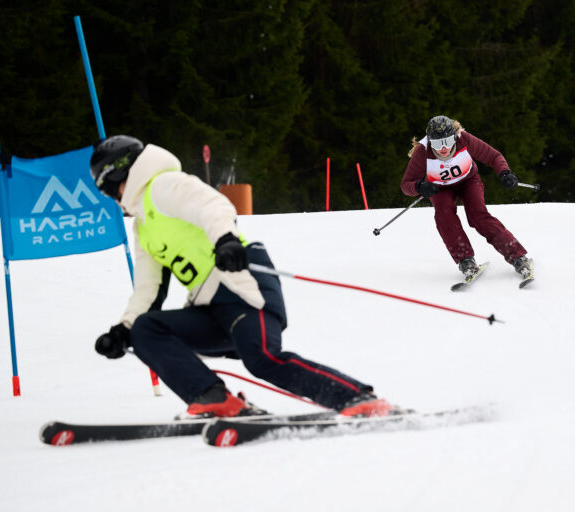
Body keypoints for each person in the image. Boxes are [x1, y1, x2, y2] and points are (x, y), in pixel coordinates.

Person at [90, 135, 394, 419]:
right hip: (210, 308)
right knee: (146, 330)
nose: (112, 197)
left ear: (117, 175)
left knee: (262, 359)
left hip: (241, 282)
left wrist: (225, 240)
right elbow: (148, 289)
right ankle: (215, 399)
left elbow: (212, 205)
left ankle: (356, 399)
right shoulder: (142, 228)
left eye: (106, 189)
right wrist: (124, 330)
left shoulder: (162, 185)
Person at [400, 115, 532, 280]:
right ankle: (466, 260)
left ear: (454, 137)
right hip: (440, 188)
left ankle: (518, 257)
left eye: (448, 141)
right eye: (437, 143)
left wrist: (505, 172)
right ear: (429, 141)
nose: (443, 148)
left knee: (478, 216)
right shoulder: (423, 151)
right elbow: (406, 185)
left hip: (468, 181)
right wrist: (419, 186)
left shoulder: (464, 139)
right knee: (444, 215)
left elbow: (494, 156)